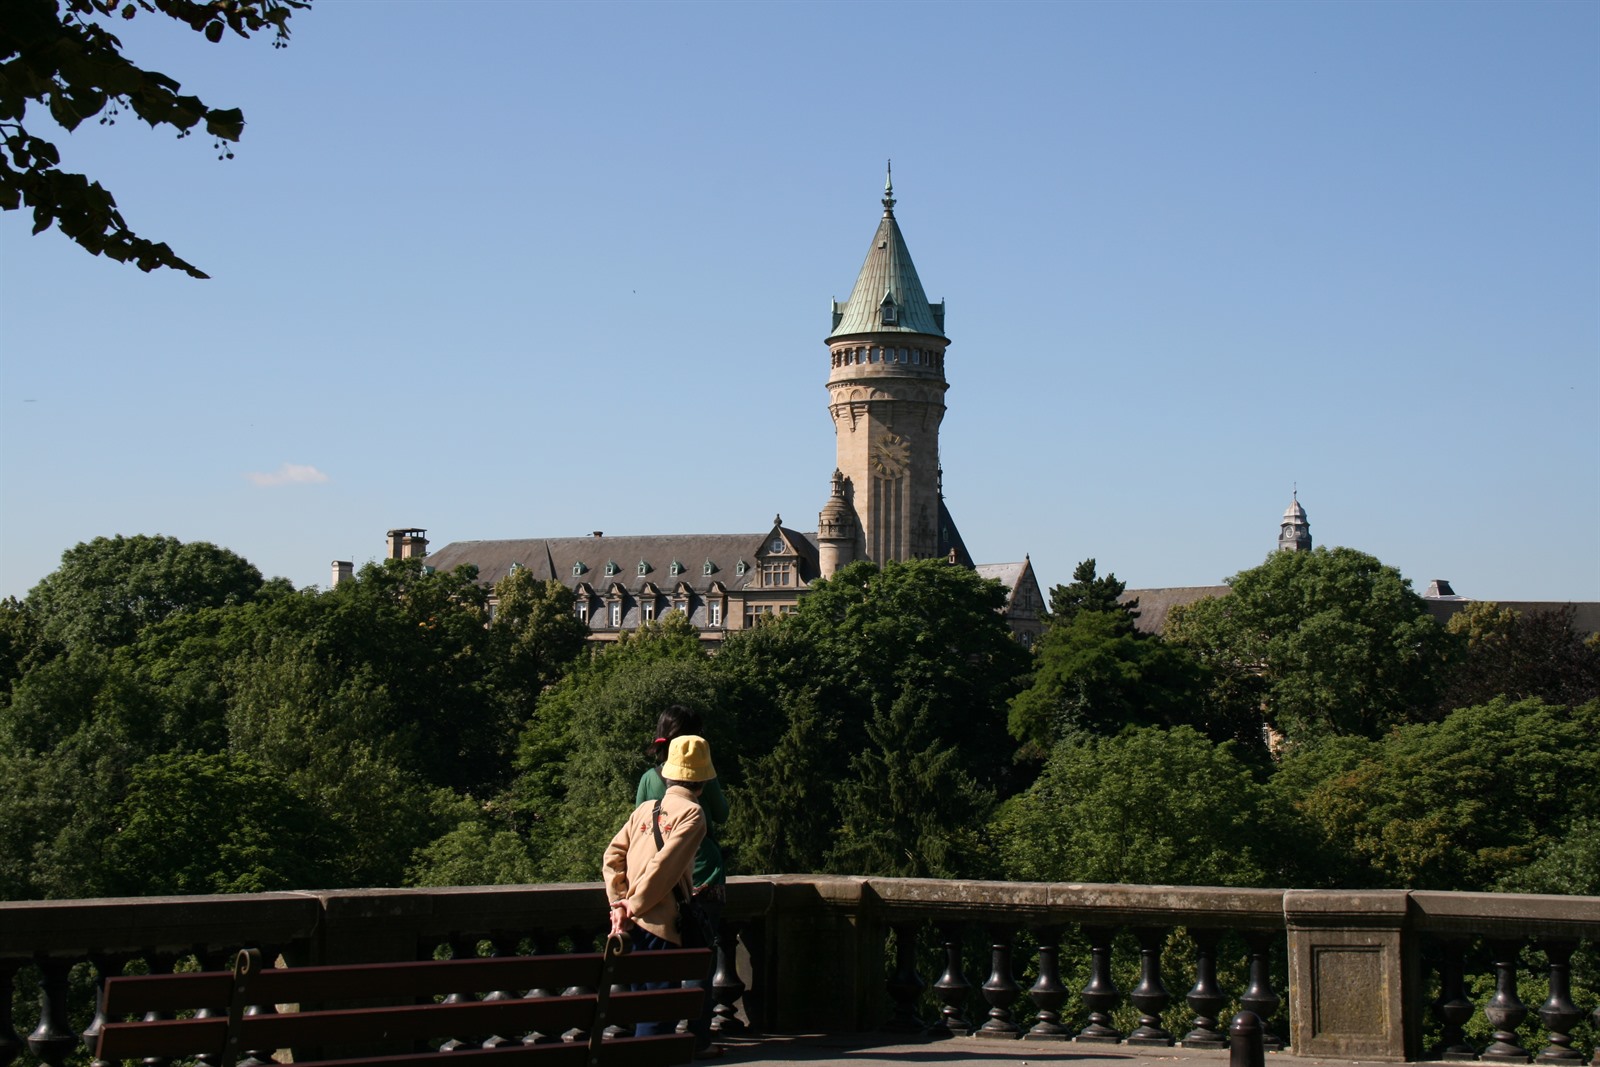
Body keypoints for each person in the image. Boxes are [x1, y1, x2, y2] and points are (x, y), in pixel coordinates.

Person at [603, 734, 721, 1057]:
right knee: (657, 1017)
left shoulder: (645, 809)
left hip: (629, 930)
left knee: (641, 1006)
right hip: (660, 927)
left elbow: (612, 857)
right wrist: (633, 905)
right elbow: (664, 868)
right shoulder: (693, 814)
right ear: (703, 781)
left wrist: (618, 903)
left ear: (668, 775)